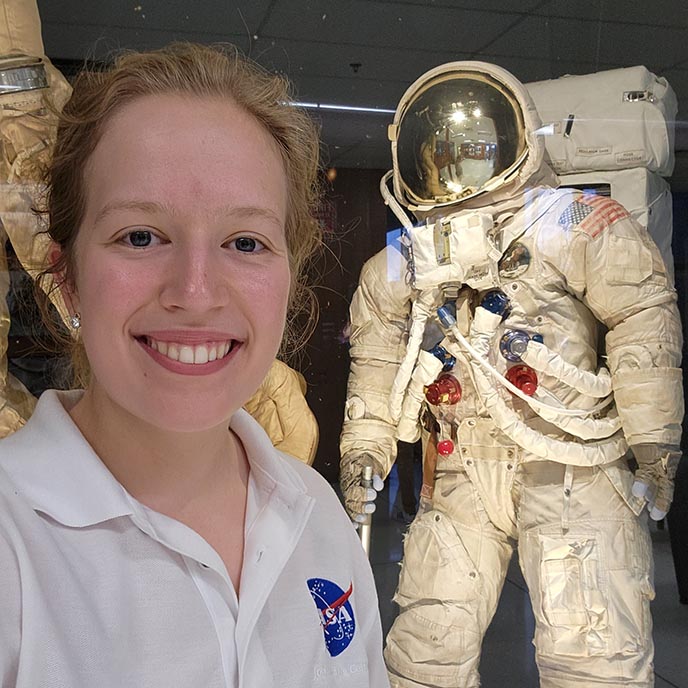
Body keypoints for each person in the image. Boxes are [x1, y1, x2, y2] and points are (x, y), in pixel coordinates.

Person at [0, 42, 389, 687]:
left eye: (245, 242)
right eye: (141, 237)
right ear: (65, 276)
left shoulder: (315, 515)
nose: (196, 291)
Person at [340, 61, 683, 687]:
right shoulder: (401, 263)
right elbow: (376, 358)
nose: (454, 170)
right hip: (464, 476)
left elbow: (641, 316)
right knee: (426, 654)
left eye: (470, 150)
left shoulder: (575, 224)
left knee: (592, 658)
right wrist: (364, 450)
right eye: (440, 154)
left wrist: (654, 435)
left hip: (571, 468)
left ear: (512, 137)